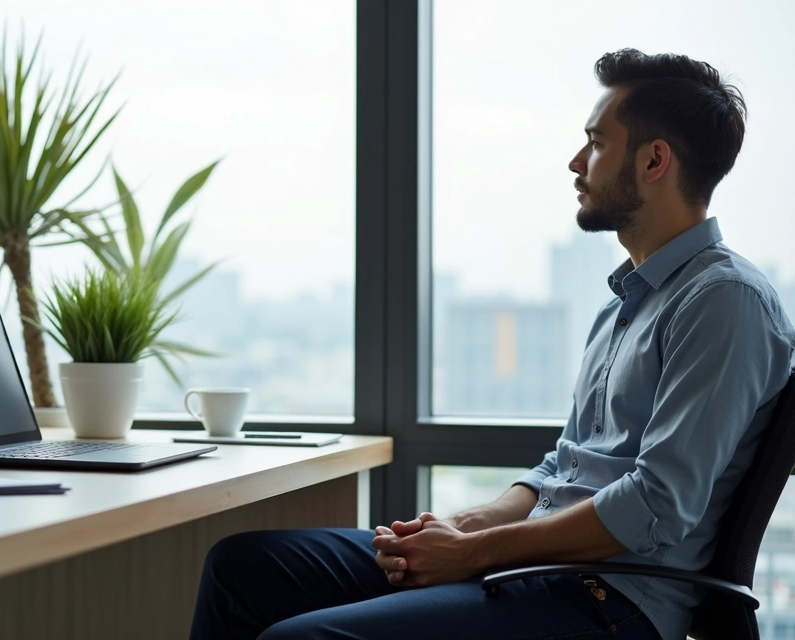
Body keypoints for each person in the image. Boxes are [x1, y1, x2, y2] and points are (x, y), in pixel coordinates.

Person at [189, 48, 795, 640]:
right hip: (534, 569)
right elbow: (565, 464)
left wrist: (472, 553)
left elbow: (655, 505)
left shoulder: (724, 301)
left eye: (598, 142)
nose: (576, 161)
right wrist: (458, 525)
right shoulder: (625, 303)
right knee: (241, 569)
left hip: (607, 601)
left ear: (654, 161)